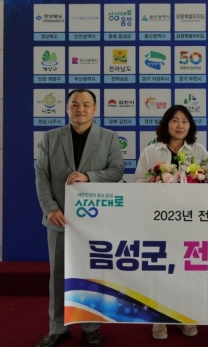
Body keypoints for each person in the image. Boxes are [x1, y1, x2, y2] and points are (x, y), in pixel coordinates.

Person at [35, 89, 124, 347]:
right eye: (75, 104)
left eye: (86, 104)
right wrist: (50, 208)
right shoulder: (51, 138)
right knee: (58, 276)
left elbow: (117, 171)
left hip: (95, 221)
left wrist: (88, 176)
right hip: (59, 219)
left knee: (92, 274)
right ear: (67, 108)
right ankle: (57, 328)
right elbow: (41, 174)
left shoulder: (109, 137)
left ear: (95, 108)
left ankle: (91, 326)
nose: (80, 109)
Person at [135, 104, 208, 340]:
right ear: (166, 124)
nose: (180, 125)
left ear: (190, 126)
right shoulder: (151, 151)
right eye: (175, 120)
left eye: (185, 121)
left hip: (190, 221)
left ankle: (185, 316)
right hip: (159, 220)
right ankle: (159, 319)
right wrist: (156, 184)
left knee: (187, 270)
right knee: (160, 270)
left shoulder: (198, 150)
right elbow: (138, 182)